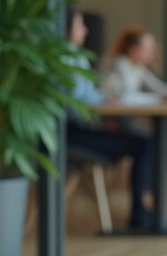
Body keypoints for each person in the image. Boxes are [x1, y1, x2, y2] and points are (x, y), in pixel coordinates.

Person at [63, 12, 155, 228]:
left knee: (145, 142)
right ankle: (140, 216)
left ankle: (144, 213)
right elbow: (76, 105)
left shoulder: (76, 57)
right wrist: (105, 102)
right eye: (79, 25)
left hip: (81, 128)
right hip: (70, 134)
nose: (85, 31)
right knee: (144, 144)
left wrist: (104, 101)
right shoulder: (64, 59)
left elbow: (86, 97)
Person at [103, 25, 167, 100]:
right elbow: (126, 94)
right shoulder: (120, 63)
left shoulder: (138, 67)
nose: (152, 53)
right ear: (133, 49)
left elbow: (158, 87)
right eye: (148, 48)